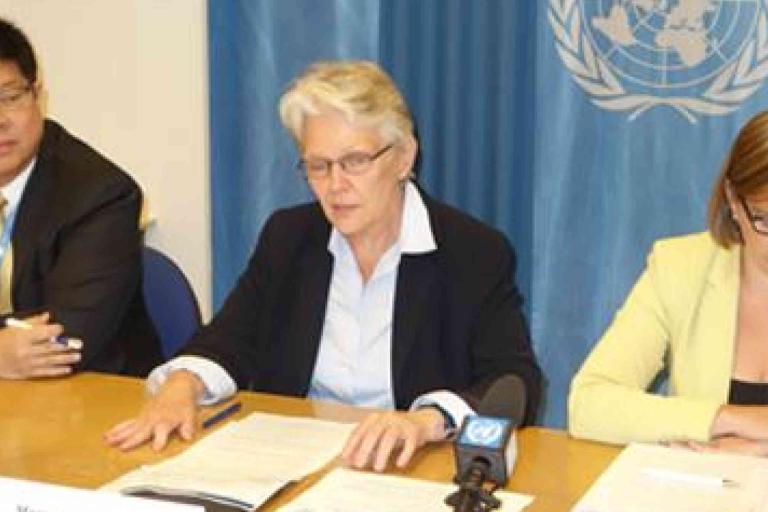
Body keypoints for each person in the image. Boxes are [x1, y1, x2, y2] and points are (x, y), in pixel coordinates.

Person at [105, 60, 541, 471]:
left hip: (410, 469)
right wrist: (183, 384)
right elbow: (231, 340)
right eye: (318, 166)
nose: (335, 185)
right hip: (294, 465)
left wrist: (426, 420)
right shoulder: (290, 237)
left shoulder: (471, 251)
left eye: (354, 162)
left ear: (403, 158)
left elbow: (515, 381)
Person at [569, 110, 768, 456]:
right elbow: (588, 404)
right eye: (766, 220)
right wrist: (726, 419)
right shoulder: (679, 267)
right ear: (734, 202)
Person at [0, 18, 161, 378]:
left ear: (37, 94)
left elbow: (64, 342)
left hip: (91, 403)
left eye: (10, 98)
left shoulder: (100, 195)